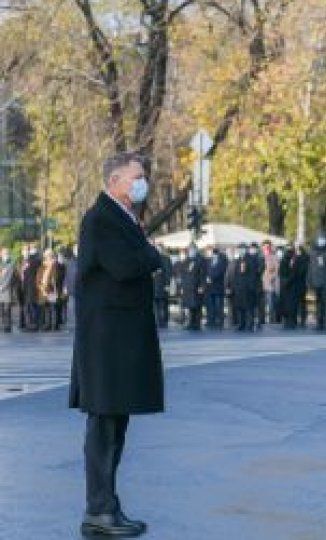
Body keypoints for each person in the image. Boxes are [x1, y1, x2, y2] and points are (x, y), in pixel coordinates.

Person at [69, 152, 163, 537]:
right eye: (137, 177)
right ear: (115, 181)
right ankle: (99, 509)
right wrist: (153, 255)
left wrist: (146, 255)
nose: (143, 183)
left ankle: (108, 506)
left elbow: (130, 262)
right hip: (107, 342)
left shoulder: (121, 217)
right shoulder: (101, 218)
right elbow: (126, 266)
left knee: (115, 424)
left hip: (119, 339)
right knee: (104, 426)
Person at [308, 235, 326, 331]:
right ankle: (319, 322)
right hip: (315, 282)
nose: (321, 241)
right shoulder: (312, 252)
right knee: (317, 304)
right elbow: (310, 267)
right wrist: (309, 280)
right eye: (319, 239)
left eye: (322, 239)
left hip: (325, 282)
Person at [179, 244, 206, 331]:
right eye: (190, 250)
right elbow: (183, 274)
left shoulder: (200, 260)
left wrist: (202, 286)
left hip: (196, 286)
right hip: (188, 287)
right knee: (190, 306)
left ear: (196, 250)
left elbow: (203, 274)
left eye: (192, 250)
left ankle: (197, 324)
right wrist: (182, 286)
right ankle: (191, 323)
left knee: (197, 306)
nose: (191, 251)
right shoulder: (187, 260)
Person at [36, 248, 61, 331]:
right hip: (42, 290)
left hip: (51, 291)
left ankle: (54, 325)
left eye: (49, 256)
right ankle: (47, 324)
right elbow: (37, 279)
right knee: (45, 308)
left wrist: (53, 264)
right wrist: (41, 287)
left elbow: (56, 279)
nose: (47, 258)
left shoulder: (56, 267)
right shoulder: (41, 267)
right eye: (46, 257)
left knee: (52, 307)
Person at [204, 247, 227, 329]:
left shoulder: (222, 261)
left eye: (210, 252)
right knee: (210, 306)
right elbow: (205, 271)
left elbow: (221, 271)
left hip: (218, 286)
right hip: (209, 287)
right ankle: (211, 321)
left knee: (218, 306)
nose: (209, 254)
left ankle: (219, 321)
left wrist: (211, 278)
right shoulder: (208, 261)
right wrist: (206, 278)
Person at [152, 246, 173, 329]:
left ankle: (164, 321)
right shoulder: (152, 258)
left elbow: (168, 272)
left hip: (162, 285)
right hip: (154, 285)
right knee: (156, 305)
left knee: (163, 304)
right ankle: (158, 320)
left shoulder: (165, 259)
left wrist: (167, 284)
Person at [261, 241, 279, 325]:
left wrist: (272, 278)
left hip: (270, 284)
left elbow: (277, 270)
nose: (266, 248)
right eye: (265, 247)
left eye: (268, 247)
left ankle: (272, 320)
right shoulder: (259, 256)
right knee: (261, 304)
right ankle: (261, 320)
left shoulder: (274, 257)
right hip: (259, 284)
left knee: (271, 303)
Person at [0, 247, 17, 332]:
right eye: (3, 253)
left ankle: (8, 326)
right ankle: (3, 325)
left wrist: (3, 286)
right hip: (0, 290)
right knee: (1, 309)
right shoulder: (1, 263)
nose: (4, 255)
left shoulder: (11, 264)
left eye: (6, 253)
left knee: (7, 309)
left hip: (7, 290)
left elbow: (10, 277)